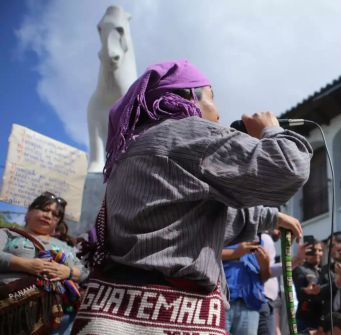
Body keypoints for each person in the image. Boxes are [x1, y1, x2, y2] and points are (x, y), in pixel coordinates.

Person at [71, 60, 311, 334]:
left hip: (108, 318)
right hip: (177, 313)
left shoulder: (131, 149)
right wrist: (270, 130)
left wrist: (271, 216)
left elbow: (197, 218)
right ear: (188, 95)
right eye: (212, 98)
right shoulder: (188, 131)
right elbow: (289, 167)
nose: (218, 115)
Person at [0, 192, 88, 335]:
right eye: (44, 210)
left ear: (57, 224)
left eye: (55, 215)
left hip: (58, 321)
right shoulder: (8, 234)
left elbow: (85, 271)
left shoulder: (67, 247)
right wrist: (25, 264)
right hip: (10, 315)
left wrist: (69, 272)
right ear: (28, 212)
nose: (48, 216)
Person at [223, 234, 273, 335]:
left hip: (251, 304)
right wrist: (235, 253)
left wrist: (265, 264)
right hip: (223, 301)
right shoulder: (222, 229)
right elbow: (206, 253)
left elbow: (264, 278)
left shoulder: (258, 240)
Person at [294, 240, 326, 331]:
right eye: (313, 250)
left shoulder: (323, 271)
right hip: (306, 319)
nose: (317, 253)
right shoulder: (300, 269)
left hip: (322, 318)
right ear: (306, 252)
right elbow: (298, 293)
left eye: (320, 250)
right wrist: (306, 291)